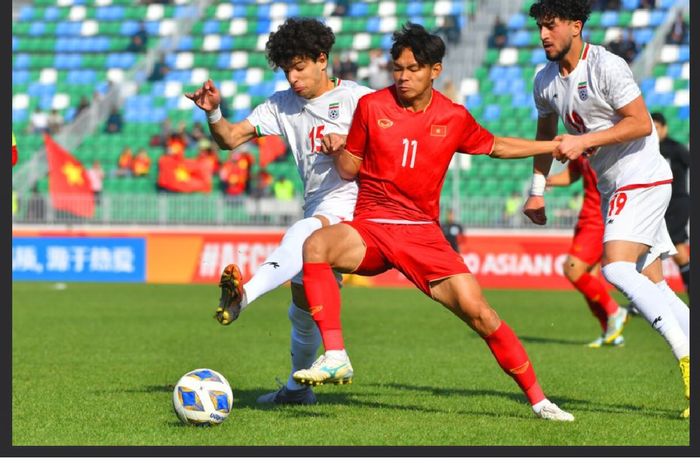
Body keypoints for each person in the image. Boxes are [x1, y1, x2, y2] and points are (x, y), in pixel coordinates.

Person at [293, 23, 574, 421]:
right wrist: (339, 148)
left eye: (413, 69)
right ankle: (336, 354)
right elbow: (350, 169)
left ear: (435, 71)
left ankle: (540, 401)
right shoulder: (371, 107)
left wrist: (552, 145)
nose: (404, 77)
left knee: (482, 315)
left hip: (422, 233)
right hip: (371, 225)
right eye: (397, 69)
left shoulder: (453, 116)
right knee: (315, 245)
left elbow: (497, 146)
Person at [185, 18, 373, 405]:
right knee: (302, 312)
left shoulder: (360, 99)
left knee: (305, 232)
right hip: (319, 202)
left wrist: (348, 144)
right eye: (287, 69)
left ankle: (244, 298)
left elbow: (392, 144)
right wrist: (214, 114)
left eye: (300, 67)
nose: (293, 77)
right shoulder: (282, 104)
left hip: (358, 204)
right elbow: (230, 139)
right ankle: (297, 390)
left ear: (323, 60)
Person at [523, 0, 689, 418]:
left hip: (641, 176)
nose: (544, 35)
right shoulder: (544, 80)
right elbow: (546, 136)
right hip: (616, 184)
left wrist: (584, 141)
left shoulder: (607, 66)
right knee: (657, 285)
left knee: (615, 268)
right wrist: (537, 189)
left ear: (576, 26)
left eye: (551, 26)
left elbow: (640, 123)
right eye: (540, 27)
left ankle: (687, 360)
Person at [546, 158, 627, 347]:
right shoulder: (581, 146)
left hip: (599, 219)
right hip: (586, 218)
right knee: (591, 277)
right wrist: (549, 180)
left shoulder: (604, 145)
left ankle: (615, 311)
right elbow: (573, 173)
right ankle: (611, 332)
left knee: (572, 268)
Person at [651, 112, 690, 295]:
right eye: (652, 127)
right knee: (680, 252)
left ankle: (652, 295)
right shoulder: (647, 149)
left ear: (664, 128)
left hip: (676, 204)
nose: (654, 131)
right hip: (659, 205)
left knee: (653, 246)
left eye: (657, 127)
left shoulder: (675, 148)